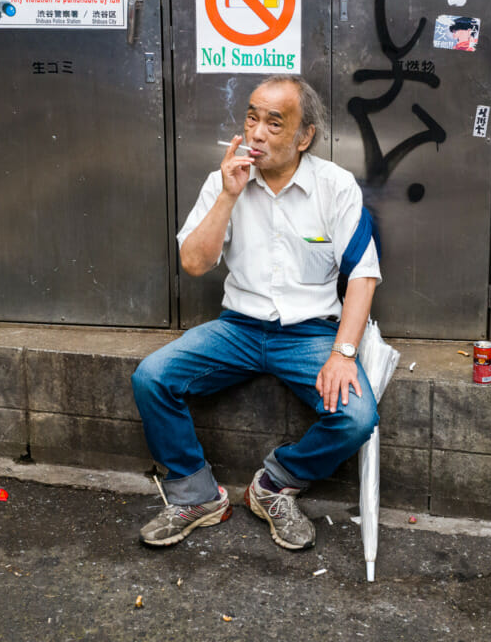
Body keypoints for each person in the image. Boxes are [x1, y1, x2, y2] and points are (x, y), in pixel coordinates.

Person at [131, 75, 380, 550]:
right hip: (238, 330)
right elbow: (194, 263)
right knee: (152, 377)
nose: (257, 133)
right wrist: (228, 194)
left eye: (273, 122)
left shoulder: (334, 186)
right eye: (251, 118)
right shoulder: (223, 180)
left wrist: (343, 353)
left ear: (304, 136)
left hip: (309, 335)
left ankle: (274, 485)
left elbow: (363, 275)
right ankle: (196, 494)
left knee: (356, 417)